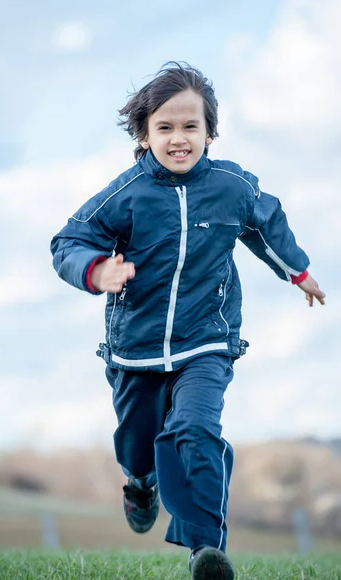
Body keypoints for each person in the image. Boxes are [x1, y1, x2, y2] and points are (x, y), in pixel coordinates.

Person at [50, 62, 325, 580]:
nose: (179, 139)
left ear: (210, 132)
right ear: (145, 133)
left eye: (190, 127)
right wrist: (96, 269)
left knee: (197, 430)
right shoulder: (125, 193)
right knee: (137, 443)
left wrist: (298, 272)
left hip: (206, 342)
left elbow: (266, 225)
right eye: (165, 128)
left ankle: (205, 550)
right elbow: (68, 241)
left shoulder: (230, 185)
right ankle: (139, 482)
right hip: (136, 348)